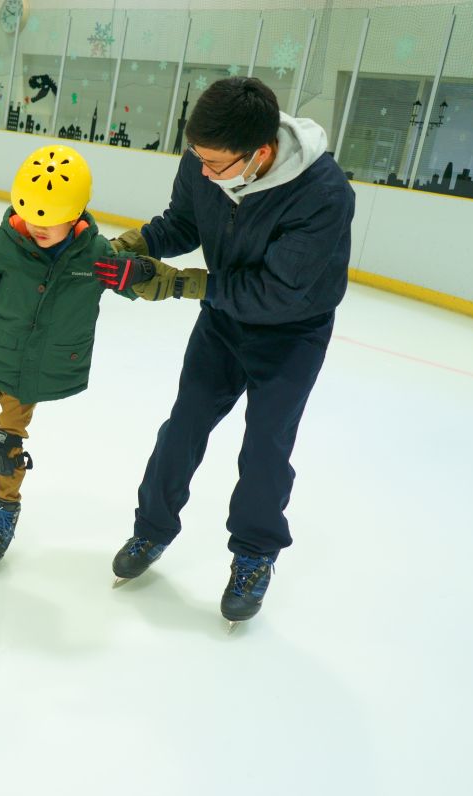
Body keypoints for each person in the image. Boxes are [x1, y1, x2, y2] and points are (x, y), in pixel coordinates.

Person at [93, 77, 355, 625]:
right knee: (183, 425)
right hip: (222, 319)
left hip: (292, 332)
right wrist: (134, 246)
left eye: (214, 164)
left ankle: (254, 555)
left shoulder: (323, 194)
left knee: (265, 446)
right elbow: (183, 222)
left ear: (260, 153)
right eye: (197, 159)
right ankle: (151, 532)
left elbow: (279, 292)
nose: (204, 173)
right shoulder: (205, 158)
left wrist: (181, 284)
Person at [0, 144, 154, 567]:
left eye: (50, 219)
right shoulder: (5, 240)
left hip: (32, 370)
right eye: (31, 214)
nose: (37, 227)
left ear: (74, 213)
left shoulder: (93, 254)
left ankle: (4, 508)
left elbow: (129, 282)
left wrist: (138, 272)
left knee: (6, 445)